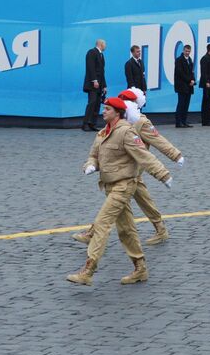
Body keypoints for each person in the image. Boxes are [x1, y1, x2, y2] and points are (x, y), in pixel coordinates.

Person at [66, 97, 172, 287]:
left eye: (107, 109)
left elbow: (144, 156)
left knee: (102, 224)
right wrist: (90, 166)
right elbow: (93, 156)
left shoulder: (126, 132)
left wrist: (163, 175)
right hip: (109, 186)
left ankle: (88, 271)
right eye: (104, 108)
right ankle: (140, 268)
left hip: (124, 185)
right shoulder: (101, 134)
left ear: (117, 112)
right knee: (126, 230)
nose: (103, 111)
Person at [74, 88, 185, 247]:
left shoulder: (141, 122)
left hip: (133, 171)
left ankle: (93, 233)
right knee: (138, 201)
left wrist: (176, 155)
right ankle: (159, 229)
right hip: (122, 170)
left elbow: (158, 140)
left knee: (117, 202)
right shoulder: (115, 122)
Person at [82, 39, 107, 131]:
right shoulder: (91, 52)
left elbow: (102, 72)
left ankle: (92, 124)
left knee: (97, 104)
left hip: (99, 85)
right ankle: (85, 124)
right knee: (92, 103)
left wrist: (104, 85)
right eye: (105, 44)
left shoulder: (101, 55)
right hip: (93, 84)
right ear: (101, 44)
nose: (105, 46)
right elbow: (90, 67)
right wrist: (94, 80)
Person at [173, 44, 195, 128]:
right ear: (183, 50)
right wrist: (189, 80)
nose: (187, 53)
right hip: (181, 85)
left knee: (186, 104)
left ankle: (184, 121)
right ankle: (178, 122)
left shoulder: (190, 60)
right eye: (186, 51)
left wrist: (193, 80)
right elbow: (180, 73)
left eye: (189, 51)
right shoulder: (179, 60)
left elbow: (192, 71)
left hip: (189, 86)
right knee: (181, 104)